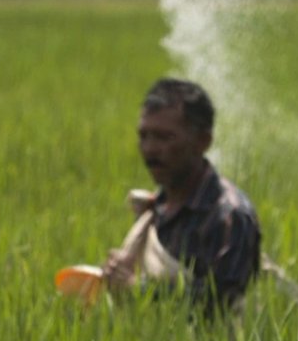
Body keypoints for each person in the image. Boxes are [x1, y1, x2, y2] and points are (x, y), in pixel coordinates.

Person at [102, 78, 262, 319]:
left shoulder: (229, 216)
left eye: (164, 137)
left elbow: (223, 302)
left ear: (203, 142)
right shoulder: (156, 207)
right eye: (143, 136)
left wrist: (139, 288)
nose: (149, 149)